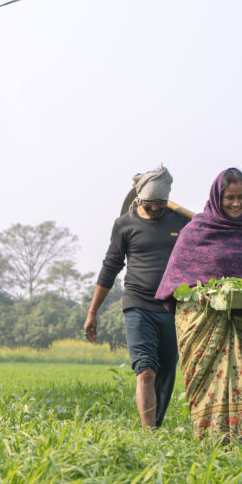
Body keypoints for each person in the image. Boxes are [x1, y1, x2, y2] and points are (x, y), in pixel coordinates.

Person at [155, 168, 242, 448]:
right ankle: (212, 446)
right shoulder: (197, 230)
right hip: (203, 323)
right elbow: (176, 277)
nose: (236, 203)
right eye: (230, 198)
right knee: (210, 386)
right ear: (217, 197)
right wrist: (200, 291)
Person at [84, 166, 190, 428]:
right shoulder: (125, 224)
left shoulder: (180, 222)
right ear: (139, 198)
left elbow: (206, 232)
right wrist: (92, 311)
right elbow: (110, 267)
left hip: (173, 307)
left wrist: (178, 210)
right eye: (150, 204)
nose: (156, 209)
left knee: (166, 373)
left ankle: (155, 428)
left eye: (161, 204)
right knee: (145, 370)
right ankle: (148, 434)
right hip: (138, 305)